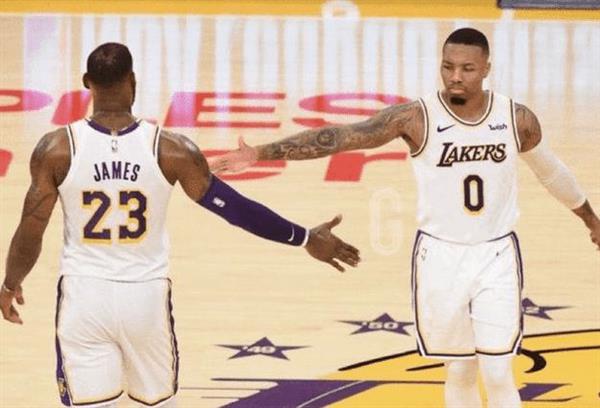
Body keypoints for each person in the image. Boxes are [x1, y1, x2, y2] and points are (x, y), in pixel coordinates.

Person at [209, 28, 600, 408]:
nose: (455, 76)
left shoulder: (516, 118)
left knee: (498, 371)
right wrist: (261, 153)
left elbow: (550, 172)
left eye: (467, 68)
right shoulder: (415, 118)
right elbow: (341, 137)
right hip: (439, 257)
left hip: (496, 255)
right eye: (448, 67)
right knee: (460, 370)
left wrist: (590, 218)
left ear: (486, 69)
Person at [0, 42, 360, 408]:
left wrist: (10, 283)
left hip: (84, 296)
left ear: (86, 82)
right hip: (146, 298)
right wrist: (304, 237)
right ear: (133, 81)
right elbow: (236, 209)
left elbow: (31, 229)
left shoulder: (56, 149)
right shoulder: (171, 149)